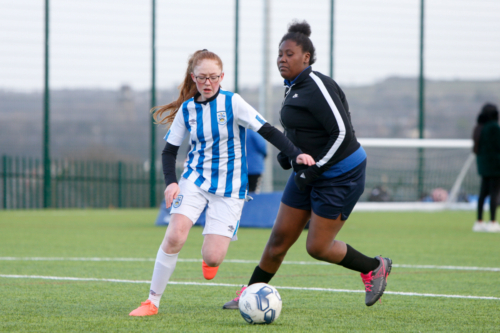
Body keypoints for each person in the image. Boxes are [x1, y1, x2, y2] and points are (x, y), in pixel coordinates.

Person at [129, 49, 315, 316]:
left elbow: (268, 130)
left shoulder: (233, 103)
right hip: (194, 179)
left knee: (213, 256)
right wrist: (171, 183)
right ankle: (152, 302)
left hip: (230, 189)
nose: (208, 82)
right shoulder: (188, 109)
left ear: (222, 77)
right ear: (193, 78)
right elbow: (169, 151)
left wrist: (296, 154)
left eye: (213, 77)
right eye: (202, 77)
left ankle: (210, 259)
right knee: (174, 236)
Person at [222, 21, 392, 310]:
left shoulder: (317, 85)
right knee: (278, 241)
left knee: (317, 247)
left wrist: (315, 169)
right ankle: (250, 293)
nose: (282, 59)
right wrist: (290, 154)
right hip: (309, 171)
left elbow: (342, 134)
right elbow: (301, 128)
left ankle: (374, 267)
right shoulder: (293, 88)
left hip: (340, 174)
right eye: (279, 54)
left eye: (289, 54)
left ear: (306, 58)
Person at [472, 103, 500, 233]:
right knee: (494, 194)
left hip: (483, 166)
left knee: (483, 194)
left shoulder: (479, 128)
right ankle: (493, 222)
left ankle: (479, 221)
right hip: (495, 166)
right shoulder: (494, 127)